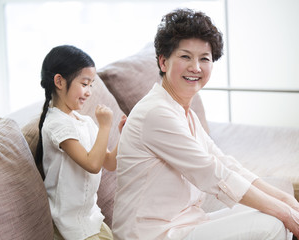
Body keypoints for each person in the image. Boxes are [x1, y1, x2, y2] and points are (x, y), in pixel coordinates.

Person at [112, 8, 299, 240]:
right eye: (185, 56)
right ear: (163, 62)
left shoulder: (182, 111)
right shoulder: (156, 113)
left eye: (204, 58)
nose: (196, 67)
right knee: (272, 224)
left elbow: (225, 163)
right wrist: (287, 213)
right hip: (151, 234)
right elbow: (213, 174)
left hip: (186, 222)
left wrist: (287, 201)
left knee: (270, 213)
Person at [35, 45, 126, 240]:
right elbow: (92, 165)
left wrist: (124, 134)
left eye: (91, 85)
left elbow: (109, 162)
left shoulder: (84, 122)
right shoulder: (56, 124)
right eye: (85, 84)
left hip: (91, 218)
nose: (89, 92)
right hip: (69, 226)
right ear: (59, 81)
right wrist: (104, 126)